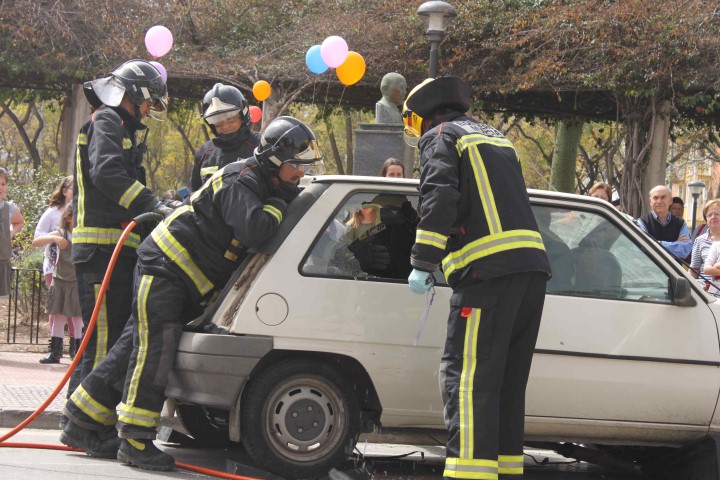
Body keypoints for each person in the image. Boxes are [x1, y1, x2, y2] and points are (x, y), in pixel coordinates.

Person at [60, 116, 322, 471]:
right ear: (276, 160)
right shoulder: (242, 181)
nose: (300, 174)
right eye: (296, 166)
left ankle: (80, 421)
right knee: (154, 355)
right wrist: (280, 201)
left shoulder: (259, 181)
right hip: (166, 271)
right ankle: (135, 442)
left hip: (177, 275)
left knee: (129, 350)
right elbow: (258, 231)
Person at [402, 76, 550, 480]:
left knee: (466, 382)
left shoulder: (440, 136)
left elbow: (440, 197)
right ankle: (504, 471)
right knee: (504, 386)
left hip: (487, 276)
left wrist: (423, 261)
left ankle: (468, 475)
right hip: (530, 272)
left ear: (420, 115)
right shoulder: (494, 137)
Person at [71, 59, 172, 402]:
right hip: (101, 252)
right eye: (148, 100)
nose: (148, 109)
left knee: (106, 341)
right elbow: (109, 174)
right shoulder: (107, 120)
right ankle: (86, 428)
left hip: (112, 252)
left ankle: (83, 420)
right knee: (102, 344)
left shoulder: (118, 125)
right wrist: (152, 204)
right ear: (136, 92)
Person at [32, 205, 83, 364]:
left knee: (77, 317)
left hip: (76, 281)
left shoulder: (83, 234)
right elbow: (36, 241)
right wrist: (54, 238)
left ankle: (78, 353)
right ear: (68, 217)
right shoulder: (61, 233)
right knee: (58, 316)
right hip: (60, 280)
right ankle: (55, 352)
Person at [189, 83, 260, 192]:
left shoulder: (260, 146)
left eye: (231, 119)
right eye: (217, 122)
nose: (225, 126)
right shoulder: (204, 154)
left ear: (243, 115)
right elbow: (194, 196)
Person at [636, 185, 692, 260]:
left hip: (673, 271)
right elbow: (642, 248)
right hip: (648, 269)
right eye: (655, 198)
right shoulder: (642, 222)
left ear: (670, 201)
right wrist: (675, 243)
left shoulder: (680, 223)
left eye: (663, 197)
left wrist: (658, 244)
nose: (659, 201)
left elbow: (685, 250)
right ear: (650, 201)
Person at [0, 167, 24, 297]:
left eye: (3, 184)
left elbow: (19, 222)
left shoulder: (10, 208)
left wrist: (10, 232)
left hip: (3, 260)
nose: (1, 188)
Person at [690, 199, 720, 291]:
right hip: (706, 292)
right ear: (706, 218)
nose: (713, 217)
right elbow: (694, 270)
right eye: (709, 215)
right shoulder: (700, 240)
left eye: (717, 214)